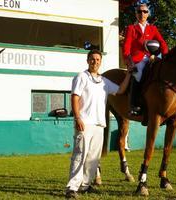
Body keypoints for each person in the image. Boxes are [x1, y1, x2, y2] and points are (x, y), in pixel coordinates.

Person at [65, 49, 131, 199]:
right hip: (85, 123)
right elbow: (75, 98)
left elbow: (120, 90)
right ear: (88, 61)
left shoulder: (104, 82)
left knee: (93, 158)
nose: (95, 62)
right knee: (79, 156)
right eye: (92, 59)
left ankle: (85, 186)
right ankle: (71, 188)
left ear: (101, 62)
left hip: (99, 125)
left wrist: (128, 74)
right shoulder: (81, 77)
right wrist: (77, 118)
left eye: (98, 60)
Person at [123, 3, 168, 115]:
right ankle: (134, 105)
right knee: (138, 74)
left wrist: (166, 56)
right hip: (136, 60)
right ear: (136, 14)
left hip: (150, 58)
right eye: (139, 11)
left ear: (148, 14)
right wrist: (130, 62)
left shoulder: (152, 28)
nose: (142, 14)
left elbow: (162, 43)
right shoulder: (131, 28)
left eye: (145, 11)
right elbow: (126, 48)